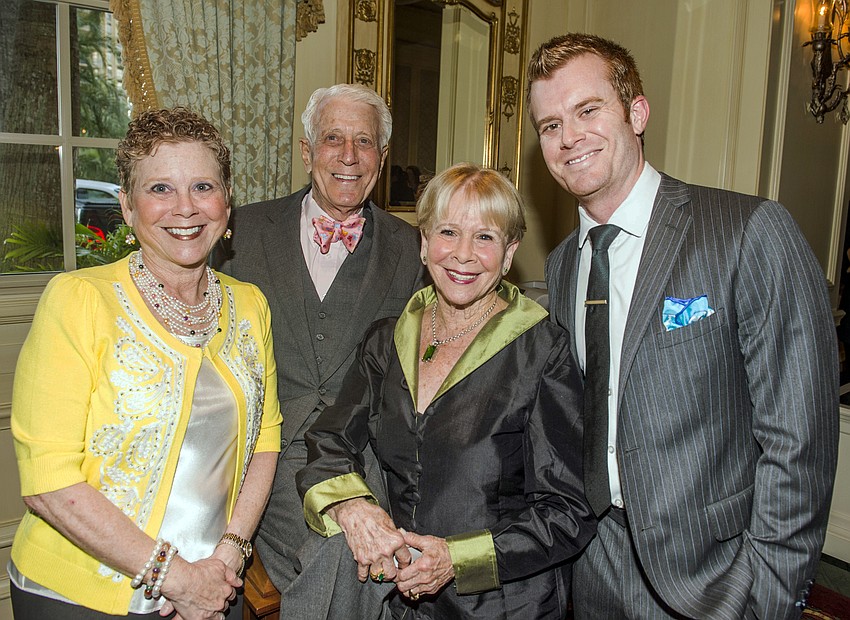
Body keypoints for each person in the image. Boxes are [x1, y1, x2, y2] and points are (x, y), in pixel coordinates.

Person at [526, 32, 839, 619]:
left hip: (715, 581)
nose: (569, 137)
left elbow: (799, 440)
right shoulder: (565, 264)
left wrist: (766, 596)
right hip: (592, 568)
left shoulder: (746, 231)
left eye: (588, 110)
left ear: (637, 113)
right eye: (550, 125)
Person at [8, 107, 282, 619]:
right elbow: (49, 481)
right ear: (127, 207)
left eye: (203, 186)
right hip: (79, 598)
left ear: (227, 203)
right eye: (160, 189)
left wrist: (229, 555)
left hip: (216, 584)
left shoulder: (250, 305)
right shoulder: (78, 300)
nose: (186, 208)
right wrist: (175, 579)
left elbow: (265, 440)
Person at [296, 163, 597, 619]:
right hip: (397, 601)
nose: (463, 254)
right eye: (448, 232)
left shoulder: (542, 352)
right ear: (424, 243)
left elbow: (568, 510)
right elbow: (329, 439)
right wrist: (352, 506)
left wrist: (457, 559)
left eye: (485, 237)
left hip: (504, 606)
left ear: (509, 253)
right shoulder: (387, 340)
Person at [221, 83, 424, 617]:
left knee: (371, 552)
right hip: (270, 456)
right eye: (334, 138)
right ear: (307, 150)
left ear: (382, 156)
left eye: (365, 141)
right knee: (350, 552)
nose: (349, 156)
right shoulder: (242, 231)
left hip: (364, 455)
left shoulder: (413, 248)